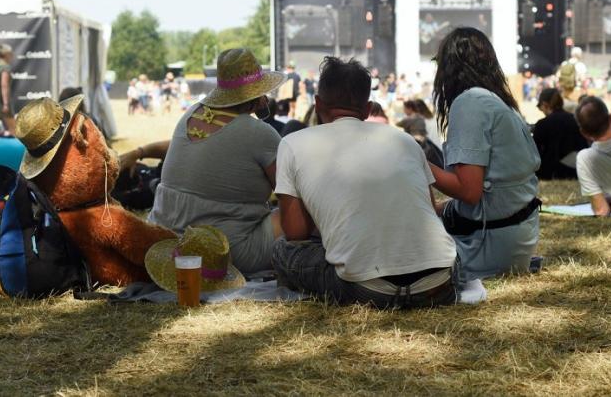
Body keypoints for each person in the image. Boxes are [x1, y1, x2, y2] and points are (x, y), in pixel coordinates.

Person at [272, 57, 459, 308]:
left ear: (317, 104)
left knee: (282, 249)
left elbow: (295, 233)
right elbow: (427, 207)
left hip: (365, 289)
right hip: (439, 282)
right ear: (368, 108)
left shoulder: (292, 144)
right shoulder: (403, 140)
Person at [146, 48, 286, 274]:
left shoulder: (190, 113)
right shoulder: (259, 133)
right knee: (298, 210)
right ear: (259, 95)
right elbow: (288, 194)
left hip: (167, 243)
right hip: (224, 252)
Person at [428, 27, 541, 278]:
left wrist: (416, 162)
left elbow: (469, 191)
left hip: (486, 246)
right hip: (513, 236)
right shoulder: (495, 100)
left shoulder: (469, 103)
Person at [532, 88, 588, 180]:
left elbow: (534, 153)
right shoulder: (574, 119)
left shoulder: (542, 124)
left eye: (540, 107)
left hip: (550, 174)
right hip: (577, 171)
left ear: (545, 105)